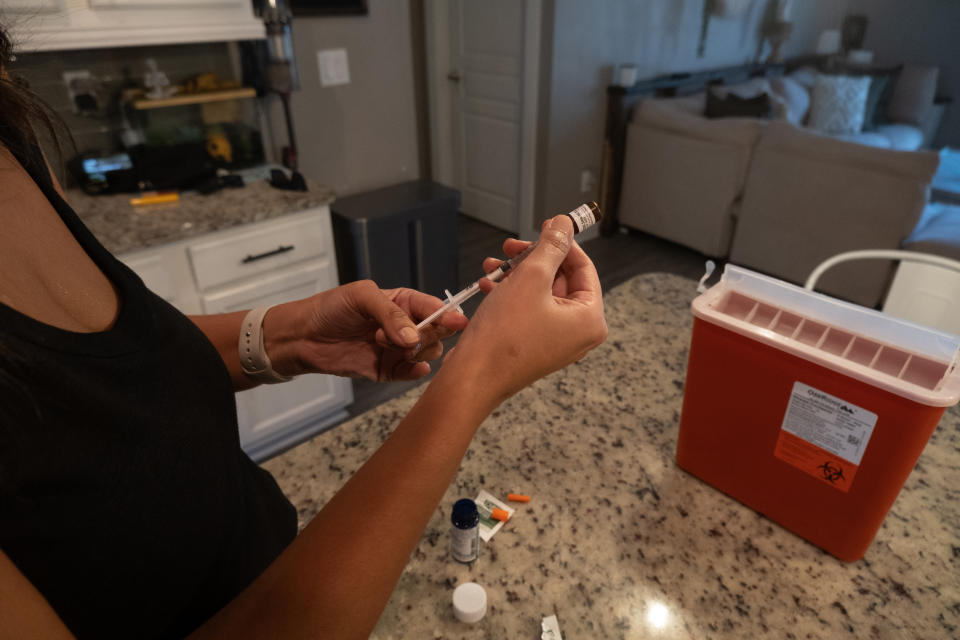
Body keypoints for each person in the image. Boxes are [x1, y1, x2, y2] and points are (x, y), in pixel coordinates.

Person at [0, 26, 607, 639]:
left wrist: (288, 338)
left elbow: (110, 368)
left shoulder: (16, 141)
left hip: (283, 555)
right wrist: (477, 374)